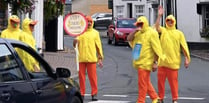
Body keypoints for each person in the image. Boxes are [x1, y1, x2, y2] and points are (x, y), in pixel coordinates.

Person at [155, 6, 191, 103]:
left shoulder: (179, 33)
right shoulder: (163, 31)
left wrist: (187, 59)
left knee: (173, 83)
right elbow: (156, 27)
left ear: (174, 22)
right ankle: (160, 98)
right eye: (168, 21)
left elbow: (184, 46)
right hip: (162, 62)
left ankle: (175, 99)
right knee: (160, 83)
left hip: (173, 63)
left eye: (171, 21)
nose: (169, 22)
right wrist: (159, 16)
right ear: (166, 22)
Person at [127, 16, 165, 103]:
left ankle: (141, 101)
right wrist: (135, 31)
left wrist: (155, 62)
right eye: (138, 24)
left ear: (145, 24)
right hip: (139, 62)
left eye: (141, 24)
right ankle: (156, 98)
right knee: (145, 82)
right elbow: (128, 39)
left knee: (142, 83)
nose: (139, 26)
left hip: (146, 63)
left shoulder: (152, 33)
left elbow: (157, 48)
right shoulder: (138, 33)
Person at [73, 15, 104, 101]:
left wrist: (100, 58)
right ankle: (82, 93)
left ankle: (94, 93)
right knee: (81, 78)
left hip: (91, 59)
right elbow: (75, 45)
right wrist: (74, 41)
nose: (89, 23)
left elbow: (99, 46)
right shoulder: (80, 32)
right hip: (81, 59)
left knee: (93, 78)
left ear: (92, 22)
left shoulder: (95, 33)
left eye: (90, 21)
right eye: (87, 21)